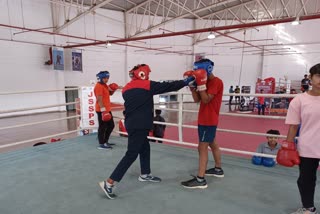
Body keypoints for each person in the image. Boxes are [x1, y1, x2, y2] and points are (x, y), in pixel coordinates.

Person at [99, 64, 195, 199]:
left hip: (133, 123)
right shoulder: (146, 85)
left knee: (145, 148)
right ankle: (109, 183)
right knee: (131, 154)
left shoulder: (127, 88)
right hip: (139, 125)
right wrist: (185, 81)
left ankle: (145, 174)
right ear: (143, 73)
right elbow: (167, 86)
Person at [277, 63, 320, 214]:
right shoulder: (300, 100)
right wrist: (287, 147)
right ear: (311, 78)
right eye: (318, 76)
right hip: (308, 147)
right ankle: (308, 208)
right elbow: (293, 126)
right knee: (306, 181)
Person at [181, 58, 224, 189]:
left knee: (202, 147)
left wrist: (200, 84)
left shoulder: (216, 82)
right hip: (204, 118)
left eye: (198, 70)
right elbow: (197, 100)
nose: (196, 72)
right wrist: (193, 87)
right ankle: (218, 169)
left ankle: (200, 180)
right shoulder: (205, 81)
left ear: (207, 69)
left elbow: (205, 100)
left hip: (209, 119)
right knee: (213, 144)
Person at [94, 71, 119, 150]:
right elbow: (99, 99)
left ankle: (105, 141)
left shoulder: (104, 85)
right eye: (104, 78)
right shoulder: (98, 86)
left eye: (107, 78)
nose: (106, 80)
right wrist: (103, 111)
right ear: (100, 78)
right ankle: (101, 144)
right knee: (102, 127)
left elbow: (110, 94)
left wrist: (114, 89)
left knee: (111, 125)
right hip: (101, 110)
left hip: (107, 109)